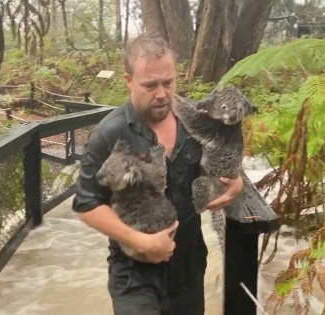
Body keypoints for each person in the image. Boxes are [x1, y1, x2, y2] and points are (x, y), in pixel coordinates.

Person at [72, 32, 244, 315]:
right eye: (150, 85)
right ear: (128, 81)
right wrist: (141, 242)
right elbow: (87, 204)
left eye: (168, 82)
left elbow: (225, 157)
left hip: (189, 269)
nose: (162, 93)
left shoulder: (196, 122)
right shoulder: (108, 134)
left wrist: (234, 181)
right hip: (134, 276)